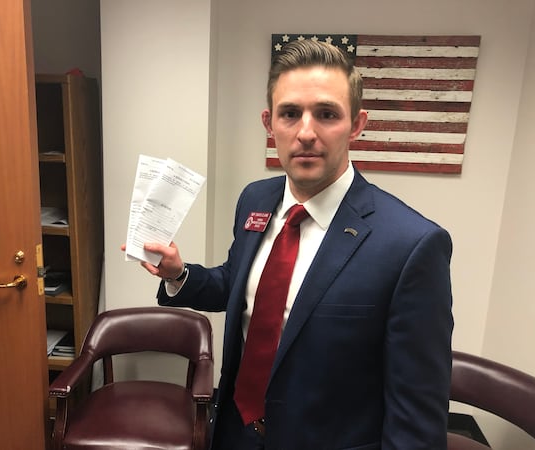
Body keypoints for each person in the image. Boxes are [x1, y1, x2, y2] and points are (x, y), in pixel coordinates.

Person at [140, 39, 453, 450]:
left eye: (326, 114)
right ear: (270, 123)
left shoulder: (412, 246)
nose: (306, 132)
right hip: (235, 433)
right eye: (290, 114)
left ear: (357, 124)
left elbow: (416, 418)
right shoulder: (255, 199)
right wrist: (180, 275)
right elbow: (240, 286)